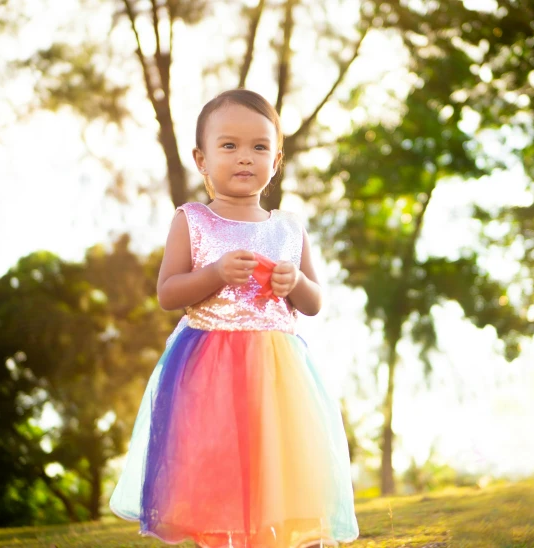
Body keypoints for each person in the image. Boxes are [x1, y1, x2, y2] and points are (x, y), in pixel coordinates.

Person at [110, 89, 359, 548]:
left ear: (277, 158)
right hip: (209, 367)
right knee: (218, 466)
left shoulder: (287, 228)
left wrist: (294, 284)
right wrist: (214, 273)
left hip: (277, 371)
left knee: (279, 463)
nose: (245, 158)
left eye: (260, 147)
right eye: (229, 146)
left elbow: (315, 300)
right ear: (201, 159)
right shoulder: (193, 220)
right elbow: (168, 293)